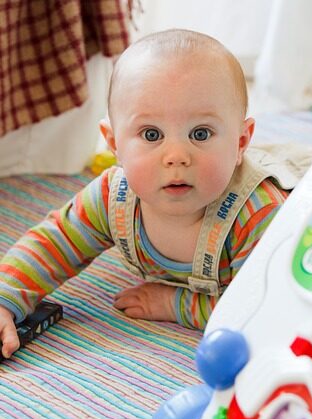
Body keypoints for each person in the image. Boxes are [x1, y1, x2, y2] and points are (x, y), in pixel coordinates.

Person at [0, 29, 293, 359]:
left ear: (240, 142)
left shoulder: (259, 216)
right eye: (151, 134)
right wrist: (6, 297)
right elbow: (53, 244)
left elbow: (266, 309)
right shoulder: (115, 196)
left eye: (201, 133)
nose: (176, 156)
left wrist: (174, 303)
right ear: (114, 145)